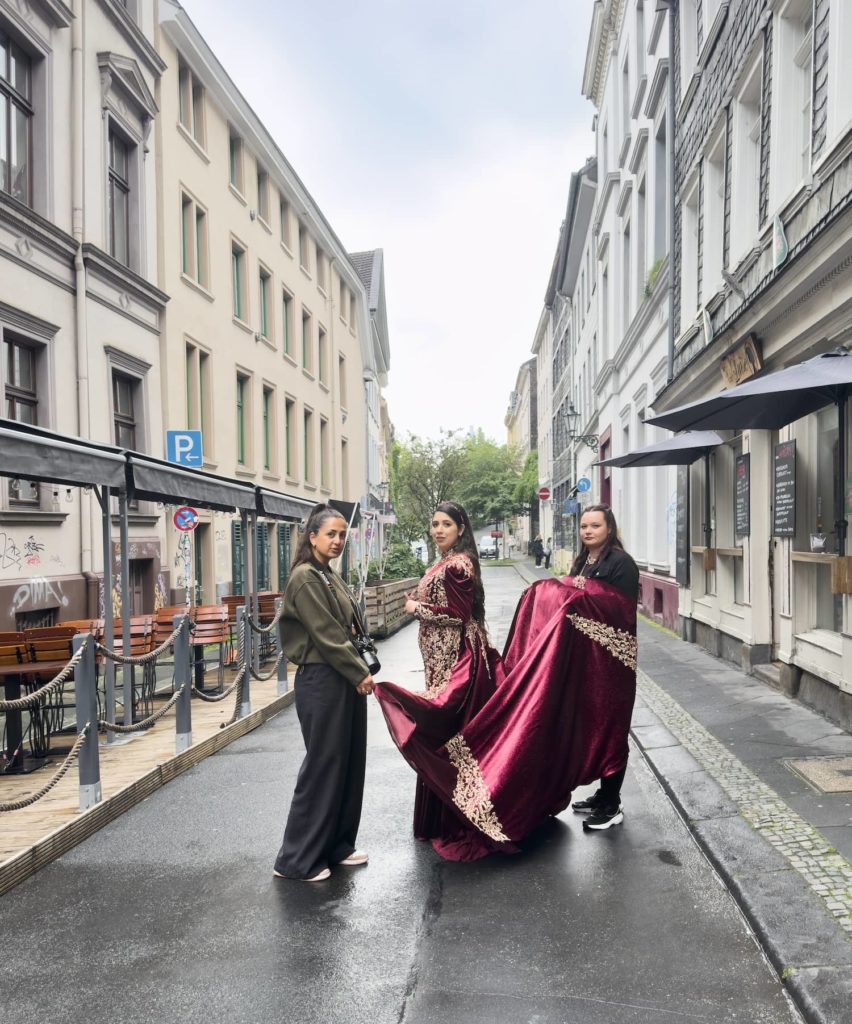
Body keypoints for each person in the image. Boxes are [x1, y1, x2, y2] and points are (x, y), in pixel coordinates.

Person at [375, 503, 639, 859]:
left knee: (607, 724)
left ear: (610, 528)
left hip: (608, 664)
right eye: (584, 526)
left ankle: (612, 801)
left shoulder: (620, 564)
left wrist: (416, 609)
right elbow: (572, 603)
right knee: (579, 723)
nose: (587, 531)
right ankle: (602, 795)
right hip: (580, 661)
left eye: (594, 526)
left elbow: (612, 610)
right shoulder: (583, 562)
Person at [374, 501, 503, 861]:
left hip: (456, 661)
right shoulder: (444, 562)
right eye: (435, 524)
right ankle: (443, 817)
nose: (439, 529)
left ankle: (461, 819)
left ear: (462, 528)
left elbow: (458, 616)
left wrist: (418, 609)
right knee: (446, 733)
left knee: (450, 730)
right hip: (438, 660)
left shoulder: (459, 564)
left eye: (446, 524)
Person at [273, 504, 375, 882]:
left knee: (349, 762)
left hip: (341, 678)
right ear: (312, 536)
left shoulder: (327, 574)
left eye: (342, 535)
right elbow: (327, 634)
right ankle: (296, 860)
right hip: (322, 678)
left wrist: (356, 670)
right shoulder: (305, 577)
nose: (337, 541)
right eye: (330, 534)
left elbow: (348, 626)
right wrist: (358, 670)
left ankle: (337, 845)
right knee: (323, 766)